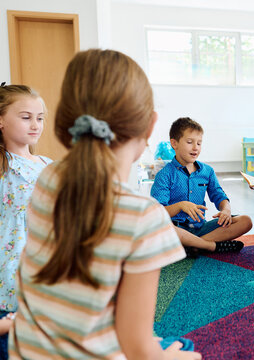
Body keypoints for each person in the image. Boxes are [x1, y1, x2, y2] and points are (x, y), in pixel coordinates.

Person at [8, 49, 201, 360]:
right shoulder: (142, 215)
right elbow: (139, 349)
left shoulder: (47, 178)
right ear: (150, 126)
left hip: (26, 350)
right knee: (186, 349)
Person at [0, 83, 51, 358]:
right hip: (10, 277)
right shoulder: (2, 166)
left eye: (40, 117)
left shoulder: (48, 164)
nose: (35, 125)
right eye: (25, 117)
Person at [151, 117, 252, 255]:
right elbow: (157, 214)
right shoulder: (164, 175)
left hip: (200, 227)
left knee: (245, 221)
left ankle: (192, 246)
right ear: (174, 143)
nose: (195, 148)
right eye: (189, 142)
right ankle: (209, 246)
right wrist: (180, 205)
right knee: (159, 228)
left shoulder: (207, 171)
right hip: (175, 229)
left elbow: (219, 195)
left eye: (199, 143)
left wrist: (226, 210)